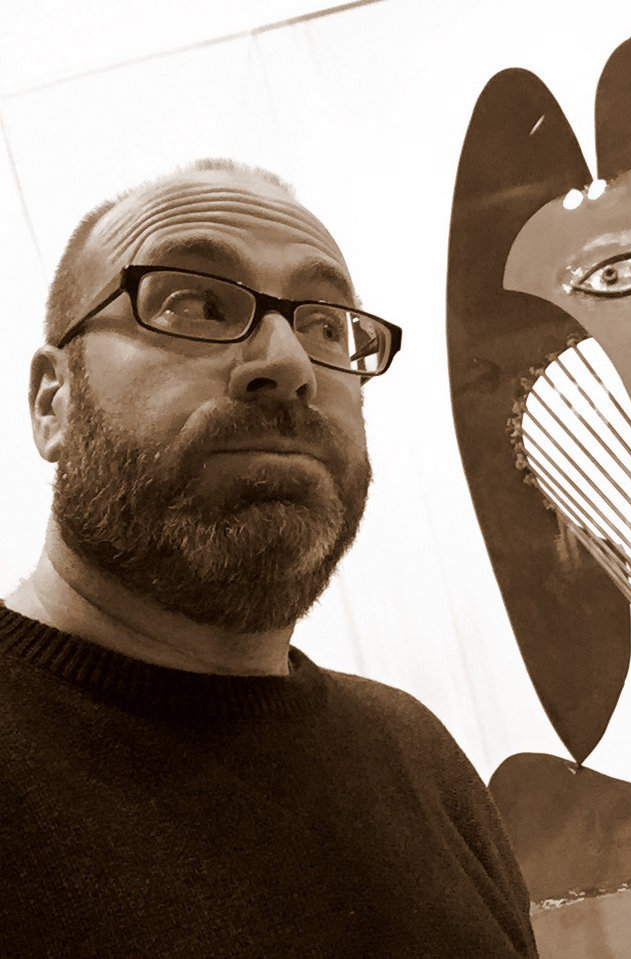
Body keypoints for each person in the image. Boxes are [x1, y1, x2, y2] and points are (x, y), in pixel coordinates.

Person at [0, 159, 538, 958]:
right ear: (53, 400)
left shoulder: (415, 756)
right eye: (193, 304)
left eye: (326, 327)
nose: (288, 364)